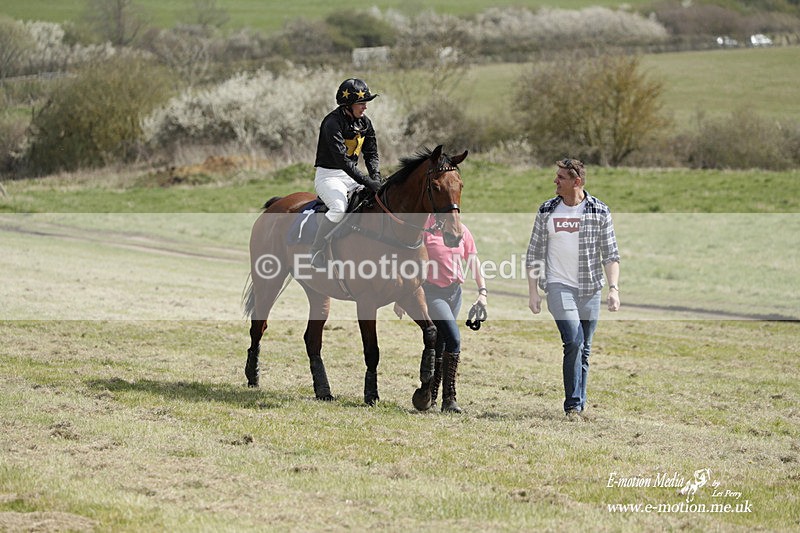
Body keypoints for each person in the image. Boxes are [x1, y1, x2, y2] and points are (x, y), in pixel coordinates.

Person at [526, 158, 620, 419]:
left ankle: (579, 406)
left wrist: (613, 288)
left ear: (576, 182)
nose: (555, 181)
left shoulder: (599, 211)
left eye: (561, 177)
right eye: (556, 176)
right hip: (558, 285)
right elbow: (533, 253)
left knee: (585, 348)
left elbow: (610, 254)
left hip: (590, 288)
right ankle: (572, 405)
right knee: (574, 341)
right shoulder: (547, 210)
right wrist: (534, 292)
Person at [395, 214, 487, 413]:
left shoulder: (459, 230)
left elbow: (472, 259)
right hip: (432, 293)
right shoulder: (426, 231)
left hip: (455, 293)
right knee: (453, 339)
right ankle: (449, 399)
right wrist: (402, 296)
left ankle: (430, 395)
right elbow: (409, 261)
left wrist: (482, 292)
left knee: (440, 344)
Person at [310, 78, 382, 268]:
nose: (365, 107)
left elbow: (371, 153)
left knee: (376, 201)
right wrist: (367, 181)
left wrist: (375, 177)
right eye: (361, 103)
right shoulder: (332, 123)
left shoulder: (365, 123)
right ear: (348, 105)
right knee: (338, 208)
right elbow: (342, 161)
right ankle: (317, 249)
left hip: (351, 176)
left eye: (366, 103)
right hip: (329, 176)